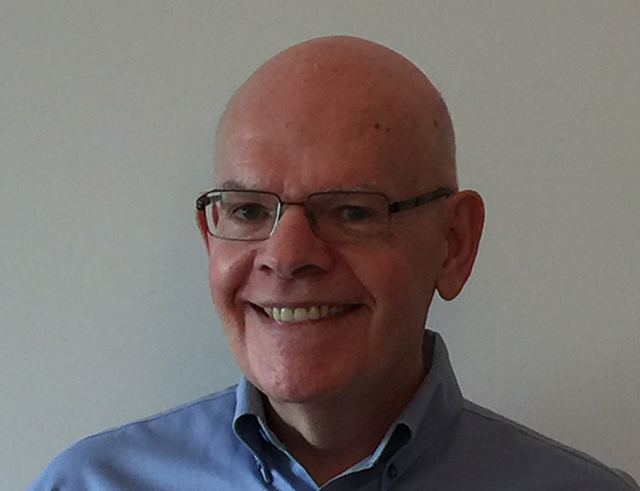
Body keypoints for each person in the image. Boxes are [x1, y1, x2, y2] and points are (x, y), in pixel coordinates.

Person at [28, 35, 638, 491]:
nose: (287, 257)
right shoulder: (87, 483)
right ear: (210, 241)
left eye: (351, 211)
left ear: (454, 245)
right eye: (247, 211)